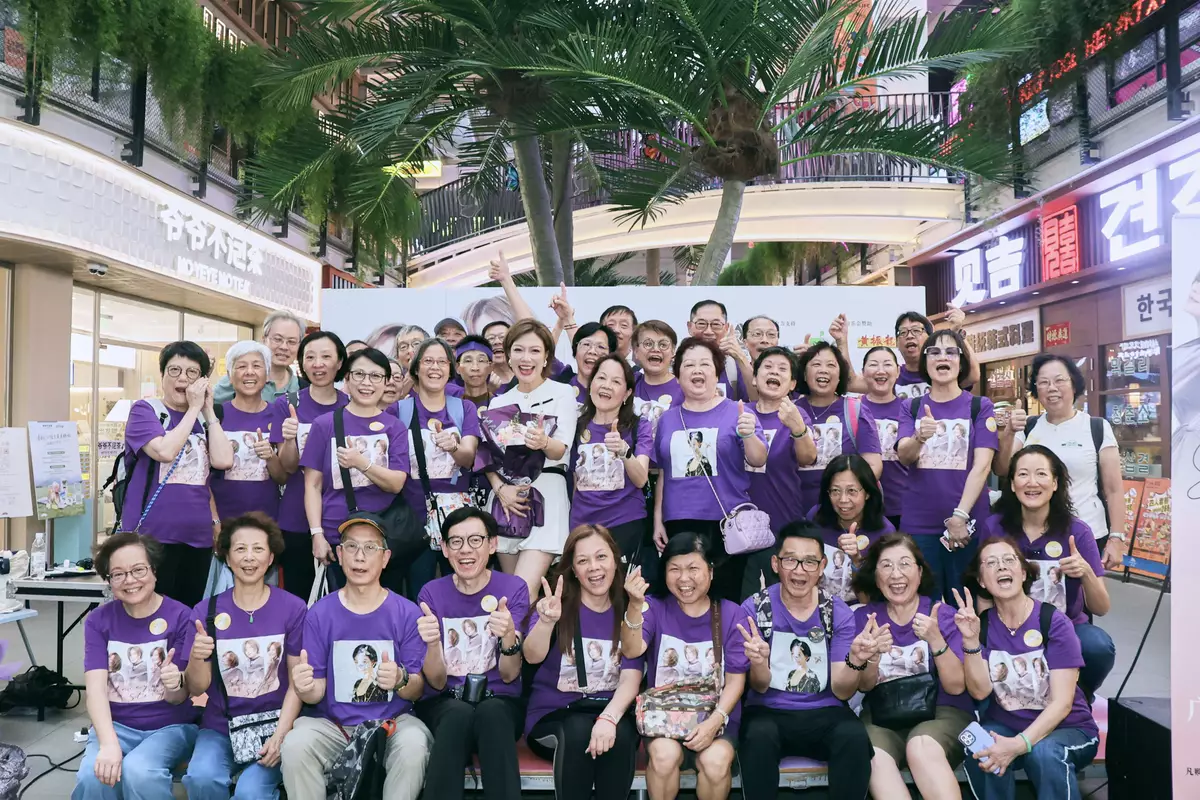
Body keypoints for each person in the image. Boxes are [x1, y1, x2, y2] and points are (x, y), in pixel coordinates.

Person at [280, 511, 432, 800]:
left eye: (370, 548)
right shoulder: (320, 614)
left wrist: (400, 679)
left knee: (414, 744)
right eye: (351, 546)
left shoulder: (407, 613)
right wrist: (304, 686)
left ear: (385, 558)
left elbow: (417, 690)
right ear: (339, 554)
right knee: (296, 745)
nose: (359, 556)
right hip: (334, 726)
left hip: (391, 724)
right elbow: (316, 692)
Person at [734, 520, 875, 800]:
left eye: (809, 562)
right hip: (768, 710)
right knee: (757, 736)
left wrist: (856, 659)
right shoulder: (755, 608)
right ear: (775, 564)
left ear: (822, 567)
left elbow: (842, 691)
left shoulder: (836, 612)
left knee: (853, 736)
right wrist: (759, 663)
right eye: (790, 560)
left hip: (825, 710)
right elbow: (758, 687)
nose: (799, 570)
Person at [958, 537, 1100, 800]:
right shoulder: (982, 626)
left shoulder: (1053, 621)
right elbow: (979, 693)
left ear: (1023, 573)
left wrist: (1020, 744)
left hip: (1067, 728)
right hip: (1007, 725)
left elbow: (1062, 704)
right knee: (981, 747)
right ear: (981, 581)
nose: (1001, 566)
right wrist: (970, 641)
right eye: (991, 563)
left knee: (1044, 753)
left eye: (1009, 560)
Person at [181, 513, 306, 800]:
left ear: (271, 557)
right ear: (227, 557)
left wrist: (282, 734)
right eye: (240, 549)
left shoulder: (293, 608)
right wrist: (197, 657)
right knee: (201, 778)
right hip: (220, 726)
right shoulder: (205, 612)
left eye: (258, 549)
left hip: (275, 723)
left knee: (250, 793)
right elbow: (196, 688)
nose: (249, 557)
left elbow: (297, 682)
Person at [620, 534, 749, 800]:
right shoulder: (653, 607)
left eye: (693, 568)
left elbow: (736, 680)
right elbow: (632, 650)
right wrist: (634, 605)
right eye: (674, 569)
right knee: (663, 757)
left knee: (715, 763)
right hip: (663, 717)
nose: (683, 578)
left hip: (716, 716)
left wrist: (714, 722)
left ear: (710, 571)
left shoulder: (731, 613)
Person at [415, 507, 530, 800]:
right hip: (445, 702)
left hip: (500, 701)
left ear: (492, 544)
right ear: (444, 549)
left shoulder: (513, 588)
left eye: (475, 540)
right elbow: (437, 682)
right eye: (456, 541)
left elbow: (509, 674)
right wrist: (431, 644)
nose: (465, 550)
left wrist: (508, 635)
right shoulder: (431, 593)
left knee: (492, 713)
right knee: (458, 713)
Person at [981, 446, 1114, 698]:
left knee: (1097, 646)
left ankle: (1079, 696)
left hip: (1065, 627)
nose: (1032, 483)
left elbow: (1101, 607)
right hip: (1008, 627)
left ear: (1055, 483)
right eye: (1023, 474)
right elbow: (982, 591)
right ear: (1012, 484)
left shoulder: (1078, 532)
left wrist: (1085, 572)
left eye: (1041, 474)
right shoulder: (994, 528)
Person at [74, 533, 198, 800]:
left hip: (170, 726)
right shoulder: (98, 621)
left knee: (140, 772)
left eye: (138, 570)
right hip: (116, 725)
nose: (130, 580)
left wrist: (174, 682)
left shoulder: (181, 616)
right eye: (118, 574)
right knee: (93, 775)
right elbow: (95, 690)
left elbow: (178, 698)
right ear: (109, 580)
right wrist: (108, 744)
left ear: (154, 571)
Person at [523, 525, 643, 800]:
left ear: (615, 560)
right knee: (578, 731)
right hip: (554, 715)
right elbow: (530, 657)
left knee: (623, 735)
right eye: (583, 561)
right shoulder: (554, 605)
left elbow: (631, 677)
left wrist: (608, 719)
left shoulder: (630, 610)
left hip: (609, 712)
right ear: (573, 570)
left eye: (601, 557)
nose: (594, 568)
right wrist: (546, 623)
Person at [850, 534, 973, 800]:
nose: (896, 574)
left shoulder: (944, 615)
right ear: (876, 577)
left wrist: (936, 639)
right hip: (882, 715)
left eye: (905, 564)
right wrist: (872, 655)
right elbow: (864, 686)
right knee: (870, 752)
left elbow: (955, 686)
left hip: (942, 713)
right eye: (886, 566)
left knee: (922, 746)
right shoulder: (863, 618)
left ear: (919, 572)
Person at [118, 341, 234, 607]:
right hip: (151, 536)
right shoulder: (145, 411)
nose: (183, 378)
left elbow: (223, 460)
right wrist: (193, 409)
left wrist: (207, 410)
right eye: (174, 370)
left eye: (192, 372)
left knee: (188, 615)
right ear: (162, 375)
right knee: (149, 614)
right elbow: (164, 451)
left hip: (197, 537)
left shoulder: (205, 419)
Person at [652, 337, 768, 601]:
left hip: (726, 524)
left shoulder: (739, 412)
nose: (697, 370)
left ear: (717, 373)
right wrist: (658, 520)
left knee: (724, 599)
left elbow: (758, 459)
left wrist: (749, 434)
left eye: (705, 364)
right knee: (682, 597)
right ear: (677, 375)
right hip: (679, 522)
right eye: (689, 365)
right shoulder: (667, 419)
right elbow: (664, 473)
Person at [996, 353, 1129, 570]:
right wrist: (1009, 432)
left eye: (1059, 380)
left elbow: (1114, 489)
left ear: (1074, 384)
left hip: (1087, 532)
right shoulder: (1028, 427)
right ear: (1036, 389)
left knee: (1087, 591)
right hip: (1033, 535)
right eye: (1043, 382)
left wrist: (1117, 537)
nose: (1052, 388)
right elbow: (1002, 469)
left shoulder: (1096, 427)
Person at [897, 328, 998, 602]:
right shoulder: (911, 407)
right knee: (921, 603)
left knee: (966, 602)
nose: (943, 357)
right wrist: (919, 437)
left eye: (951, 352)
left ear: (961, 361)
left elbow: (982, 466)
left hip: (967, 524)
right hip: (919, 524)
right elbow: (904, 455)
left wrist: (960, 516)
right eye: (934, 352)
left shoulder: (979, 406)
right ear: (925, 361)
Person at [301, 347, 410, 589]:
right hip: (337, 535)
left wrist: (362, 463)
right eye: (359, 374)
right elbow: (312, 485)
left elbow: (396, 483)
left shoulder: (395, 427)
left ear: (386, 382)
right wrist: (317, 534)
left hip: (384, 536)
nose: (366, 383)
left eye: (375, 376)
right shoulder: (324, 425)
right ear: (347, 379)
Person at [484, 319, 577, 598]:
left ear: (547, 356)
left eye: (535, 351)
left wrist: (544, 442)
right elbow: (489, 456)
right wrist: (501, 489)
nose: (526, 358)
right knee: (512, 595)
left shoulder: (562, 393)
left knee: (522, 591)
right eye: (519, 350)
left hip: (547, 494)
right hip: (507, 501)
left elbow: (561, 449)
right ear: (508, 355)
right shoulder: (499, 401)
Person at [398, 338, 482, 600]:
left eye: (442, 362)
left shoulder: (464, 408)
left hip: (457, 520)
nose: (435, 368)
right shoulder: (398, 410)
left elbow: (468, 458)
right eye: (428, 361)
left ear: (450, 368)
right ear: (416, 368)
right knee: (418, 594)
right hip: (413, 522)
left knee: (461, 591)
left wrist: (453, 447)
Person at [274, 331, 349, 601]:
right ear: (302, 363)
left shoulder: (351, 405)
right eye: (310, 357)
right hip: (296, 517)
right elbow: (287, 468)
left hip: (342, 517)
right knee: (299, 598)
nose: (318, 364)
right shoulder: (287, 404)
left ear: (339, 362)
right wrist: (289, 439)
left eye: (326, 356)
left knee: (343, 598)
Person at [743, 346, 817, 595]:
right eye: (768, 367)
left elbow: (808, 458)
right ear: (754, 378)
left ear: (792, 383)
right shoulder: (740, 412)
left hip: (782, 520)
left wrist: (798, 428)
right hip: (738, 526)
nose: (774, 372)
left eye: (783, 369)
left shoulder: (797, 414)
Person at [571, 355, 652, 562]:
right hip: (582, 526)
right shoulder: (576, 426)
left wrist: (624, 450)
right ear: (591, 384)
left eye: (616, 381)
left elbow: (641, 479)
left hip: (624, 523)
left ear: (627, 393)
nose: (606, 385)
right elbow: (573, 481)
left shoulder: (639, 426)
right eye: (601, 378)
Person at [794, 341, 883, 511]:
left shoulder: (856, 410)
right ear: (804, 374)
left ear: (840, 375)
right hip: (795, 508)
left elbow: (873, 466)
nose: (823, 370)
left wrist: (847, 497)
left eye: (831, 365)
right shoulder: (790, 410)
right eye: (816, 364)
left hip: (843, 510)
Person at [213, 341, 290, 521]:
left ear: (267, 374)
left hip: (267, 521)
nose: (249, 372)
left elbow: (283, 478)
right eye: (241, 366)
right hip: (224, 519)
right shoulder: (216, 414)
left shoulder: (278, 414)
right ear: (229, 376)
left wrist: (270, 457)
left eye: (256, 366)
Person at [810, 455, 895, 603]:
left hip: (862, 609)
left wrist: (856, 561)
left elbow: (874, 599)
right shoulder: (815, 518)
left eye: (851, 491)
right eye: (835, 491)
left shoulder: (885, 532)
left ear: (867, 493)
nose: (843, 500)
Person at [855, 346, 908, 527]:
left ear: (898, 371)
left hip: (902, 504)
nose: (880, 370)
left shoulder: (909, 409)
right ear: (863, 372)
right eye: (873, 365)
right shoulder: (852, 408)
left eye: (887, 364)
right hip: (860, 505)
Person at [214, 310, 304, 404]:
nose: (284, 347)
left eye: (292, 342)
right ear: (264, 340)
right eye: (278, 339)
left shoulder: (303, 388)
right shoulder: (240, 379)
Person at [686, 300, 753, 401]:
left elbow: (755, 402)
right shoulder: (674, 365)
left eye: (716, 324)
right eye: (701, 324)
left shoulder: (734, 367)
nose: (708, 331)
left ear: (726, 328)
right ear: (689, 327)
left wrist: (741, 357)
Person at [632, 321, 683, 439]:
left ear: (673, 351)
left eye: (663, 345)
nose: (655, 349)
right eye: (648, 344)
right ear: (636, 351)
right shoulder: (627, 383)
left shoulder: (684, 388)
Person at [559, 323, 618, 407]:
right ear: (575, 351)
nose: (592, 351)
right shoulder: (560, 392)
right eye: (586, 344)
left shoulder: (616, 396)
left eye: (600, 347)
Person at [456, 335, 495, 407]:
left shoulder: (501, 405)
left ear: (490, 367)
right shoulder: (451, 407)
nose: (475, 368)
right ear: (457, 367)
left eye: (481, 360)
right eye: (468, 361)